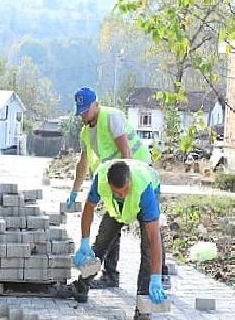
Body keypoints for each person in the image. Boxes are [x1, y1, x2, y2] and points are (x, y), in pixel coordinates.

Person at [66, 86, 152, 288]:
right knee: (110, 224)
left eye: (86, 110)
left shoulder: (111, 117)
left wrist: (125, 189)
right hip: (113, 179)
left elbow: (127, 155)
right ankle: (108, 275)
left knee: (148, 229)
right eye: (81, 112)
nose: (83, 115)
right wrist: (74, 191)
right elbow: (83, 163)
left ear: (96, 104)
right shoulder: (86, 132)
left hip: (137, 176)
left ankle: (158, 276)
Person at [71, 159, 167, 319]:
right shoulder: (101, 178)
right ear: (109, 185)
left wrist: (156, 277)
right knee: (100, 245)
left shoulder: (145, 189)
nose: (122, 195)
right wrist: (84, 242)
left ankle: (143, 307)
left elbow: (154, 239)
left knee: (147, 253)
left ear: (129, 181)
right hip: (116, 210)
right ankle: (82, 285)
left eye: (124, 190)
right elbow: (88, 207)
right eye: (117, 192)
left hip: (143, 197)